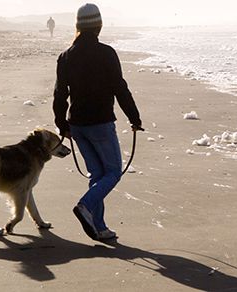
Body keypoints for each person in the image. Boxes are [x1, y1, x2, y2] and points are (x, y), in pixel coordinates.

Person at [53, 3, 142, 241]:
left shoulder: (66, 56)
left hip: (78, 126)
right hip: (100, 124)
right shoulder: (106, 53)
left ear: (79, 27)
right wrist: (134, 118)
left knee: (97, 174)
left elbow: (60, 94)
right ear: (99, 25)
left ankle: (99, 227)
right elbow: (120, 89)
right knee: (113, 172)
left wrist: (62, 125)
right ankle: (85, 205)